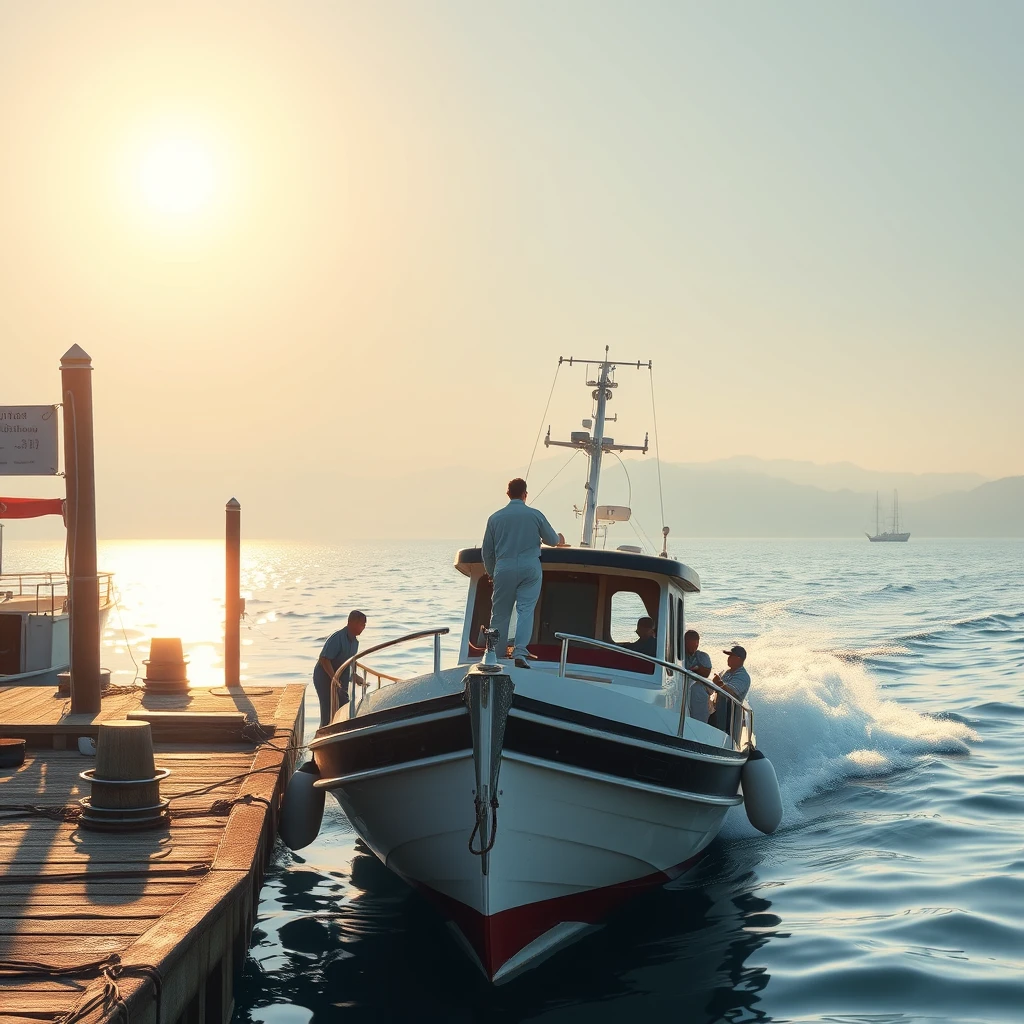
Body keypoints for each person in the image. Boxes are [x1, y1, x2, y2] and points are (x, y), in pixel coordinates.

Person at [482, 477, 564, 668]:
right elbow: (552, 540)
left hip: (503, 567)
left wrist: (492, 573)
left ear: (508, 494)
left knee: (500, 614)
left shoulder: (495, 518)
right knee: (525, 610)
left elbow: (487, 551)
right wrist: (559, 537)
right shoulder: (535, 515)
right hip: (530, 567)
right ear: (525, 494)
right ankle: (520, 652)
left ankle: (496, 653)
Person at [312, 610, 367, 726]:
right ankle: (324, 732)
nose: (364, 627)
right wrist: (334, 678)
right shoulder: (337, 638)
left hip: (340, 677)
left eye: (365, 624)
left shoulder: (355, 643)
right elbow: (324, 659)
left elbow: (349, 663)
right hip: (324, 675)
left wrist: (355, 676)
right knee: (327, 708)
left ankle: (342, 731)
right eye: (362, 624)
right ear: (352, 623)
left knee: (344, 705)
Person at [709, 644, 750, 732]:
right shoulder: (727, 672)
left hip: (729, 719)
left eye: (731, 656)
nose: (728, 658)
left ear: (739, 658)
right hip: (718, 712)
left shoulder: (743, 676)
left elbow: (731, 693)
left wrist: (718, 682)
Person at [683, 629, 713, 721]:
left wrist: (698, 669)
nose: (694, 648)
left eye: (696, 645)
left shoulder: (702, 656)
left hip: (698, 689)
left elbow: (706, 673)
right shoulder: (679, 655)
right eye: (691, 645)